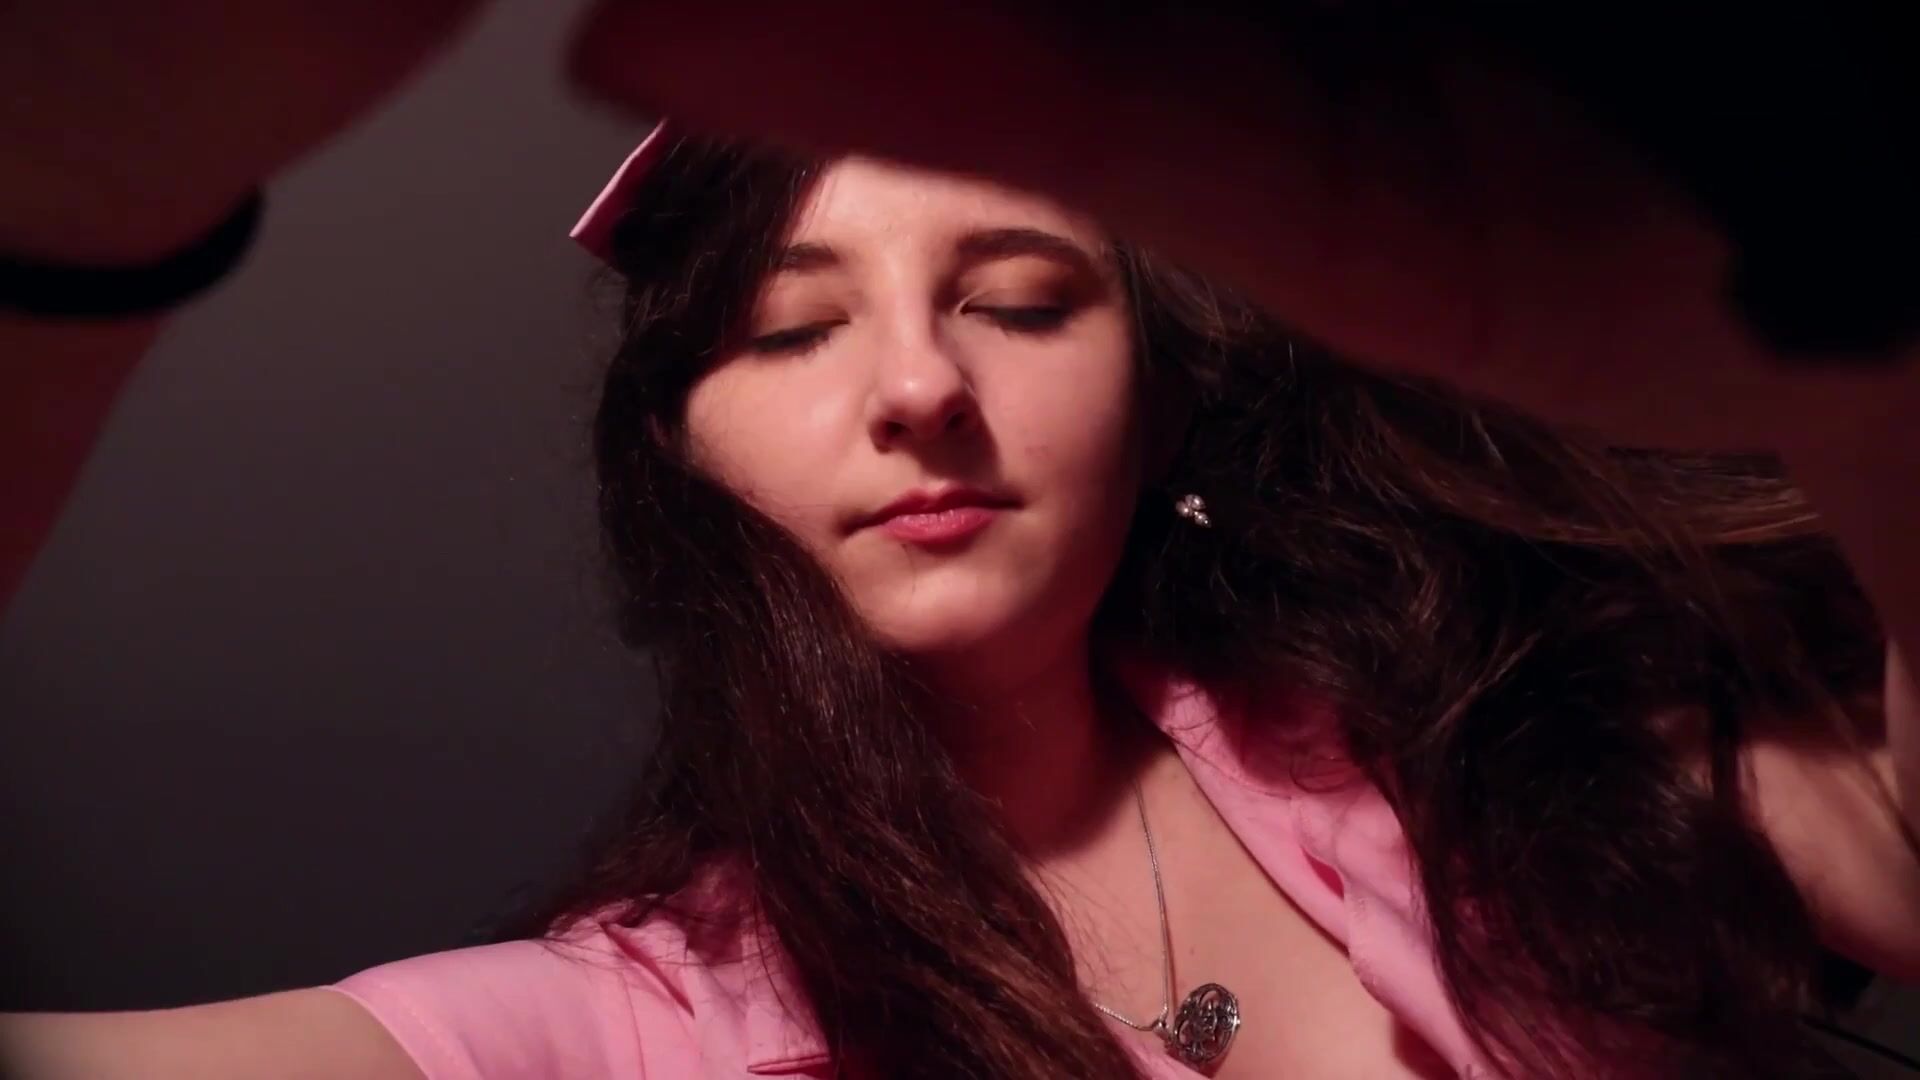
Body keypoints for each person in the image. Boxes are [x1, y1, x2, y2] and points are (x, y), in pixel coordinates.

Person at [3, 4, 1917, 1078]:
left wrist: (1860, 355)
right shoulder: (642, 1030)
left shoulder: (1500, 736)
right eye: (793, 327)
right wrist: (65, 216)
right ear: (679, 451)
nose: (921, 384)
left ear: (1157, 407)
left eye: (1016, 298)